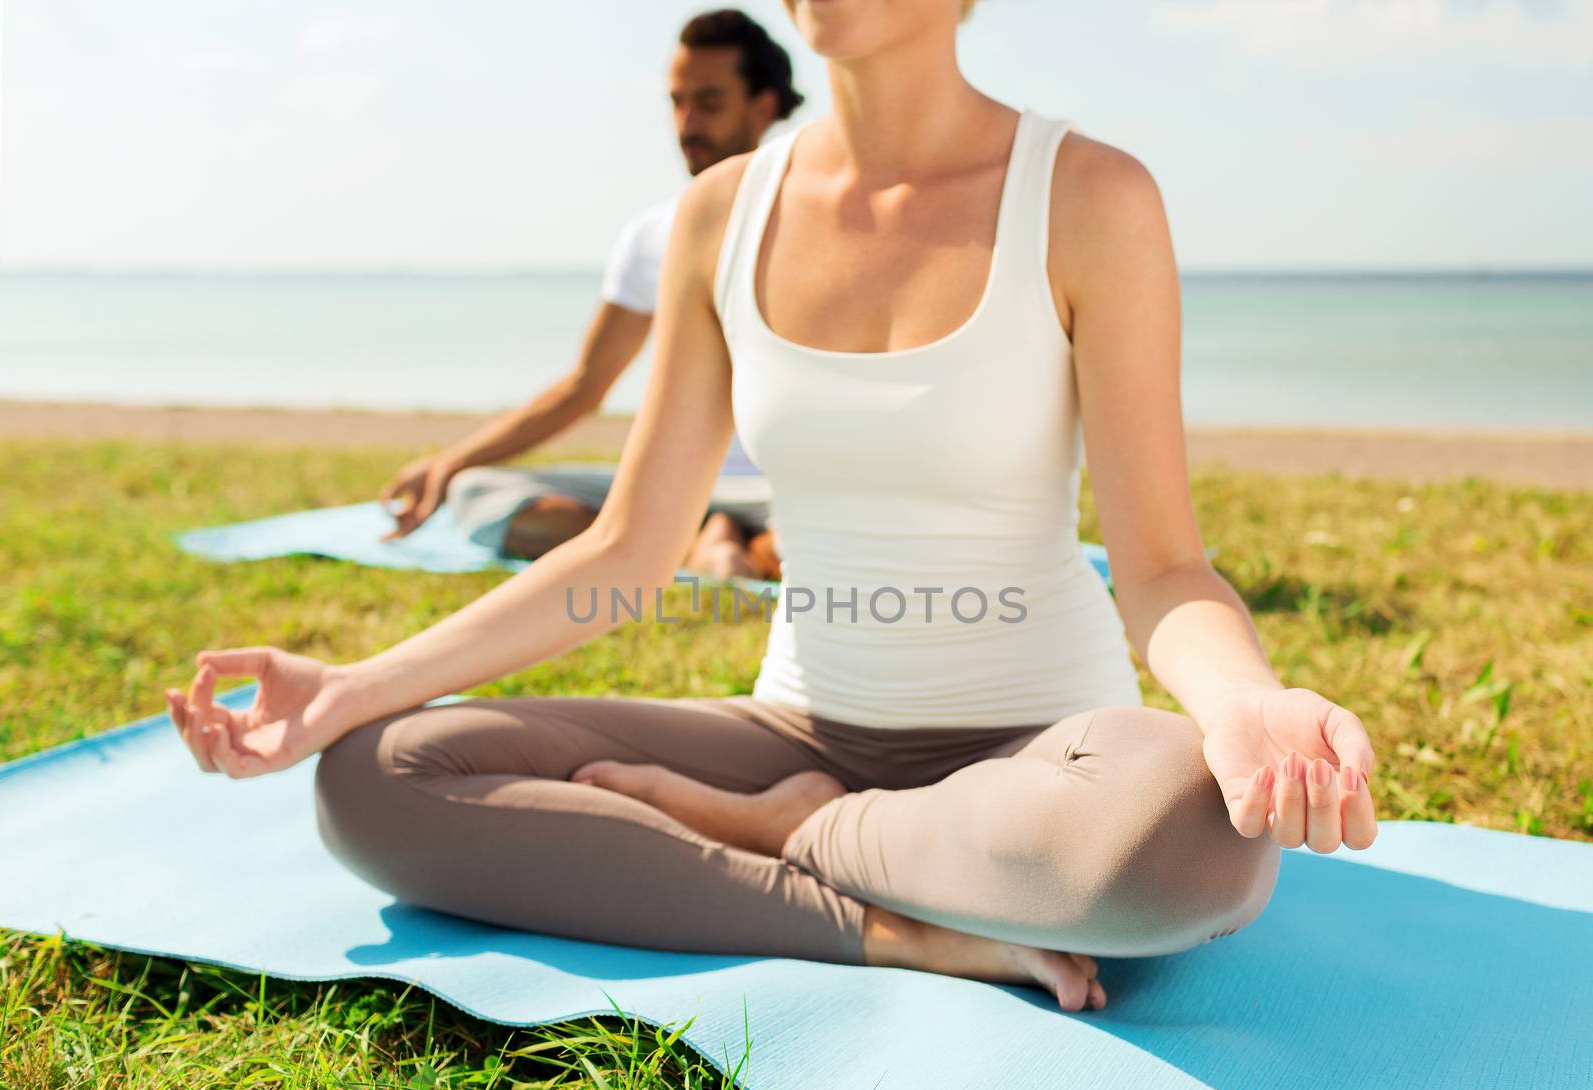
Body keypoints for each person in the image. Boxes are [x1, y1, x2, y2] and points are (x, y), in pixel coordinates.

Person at [167, 0, 1381, 1014]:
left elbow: (1162, 565)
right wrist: (351, 687)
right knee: (383, 774)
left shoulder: (1089, 197)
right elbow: (629, 548)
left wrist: (1246, 704)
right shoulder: (719, 216)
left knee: (1189, 835)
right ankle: (889, 923)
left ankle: (798, 834)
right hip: (798, 728)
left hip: (1033, 753)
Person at [378, 9, 798, 582]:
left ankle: (734, 542)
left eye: (709, 102)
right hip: (671, 488)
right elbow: (583, 386)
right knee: (477, 491)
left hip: (789, 488)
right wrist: (453, 461)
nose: (687, 122)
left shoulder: (814, 224)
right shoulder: (655, 234)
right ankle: (703, 540)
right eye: (677, 102)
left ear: (764, 106)